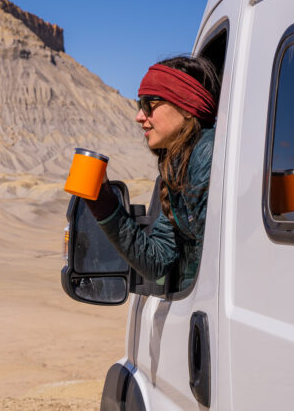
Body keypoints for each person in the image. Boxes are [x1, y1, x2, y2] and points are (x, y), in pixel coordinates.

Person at [84, 56, 220, 290]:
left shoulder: (205, 155)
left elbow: (215, 263)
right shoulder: (178, 163)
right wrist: (103, 202)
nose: (139, 117)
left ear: (187, 107)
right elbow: (158, 260)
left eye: (149, 105)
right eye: (140, 105)